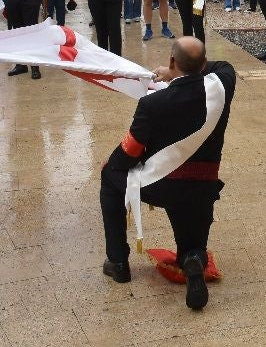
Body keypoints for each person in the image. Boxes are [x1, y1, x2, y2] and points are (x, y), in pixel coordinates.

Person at [98, 37, 236, 310]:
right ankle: (193, 260)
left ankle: (118, 262)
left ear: (173, 61)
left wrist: (111, 164)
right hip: (202, 187)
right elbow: (221, 65)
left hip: (162, 185)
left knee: (109, 177)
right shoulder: (223, 84)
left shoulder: (153, 103)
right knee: (192, 245)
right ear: (204, 64)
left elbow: (132, 150)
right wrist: (182, 71)